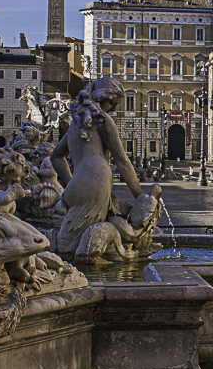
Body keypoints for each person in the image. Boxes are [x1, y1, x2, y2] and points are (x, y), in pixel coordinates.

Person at [51, 78, 144, 257]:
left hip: (77, 185)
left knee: (68, 244)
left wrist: (72, 182)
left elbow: (55, 157)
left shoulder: (76, 123)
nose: (114, 109)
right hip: (96, 180)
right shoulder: (102, 119)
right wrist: (140, 197)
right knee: (72, 249)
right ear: (101, 97)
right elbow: (122, 161)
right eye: (112, 103)